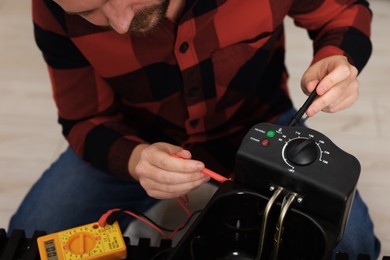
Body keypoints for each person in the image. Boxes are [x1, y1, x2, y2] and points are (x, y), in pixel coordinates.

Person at [9, 0, 380, 258]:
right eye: (88, 11)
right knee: (28, 238)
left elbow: (343, 10)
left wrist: (337, 58)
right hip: (135, 137)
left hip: (260, 128)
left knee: (354, 246)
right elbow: (84, 118)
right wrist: (135, 158)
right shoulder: (52, 8)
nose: (119, 24)